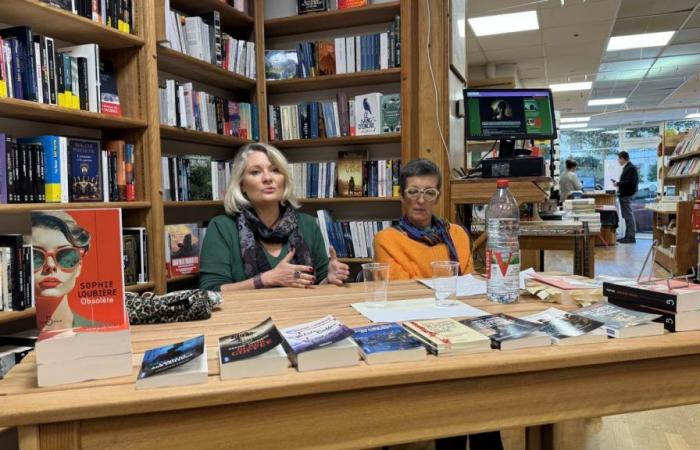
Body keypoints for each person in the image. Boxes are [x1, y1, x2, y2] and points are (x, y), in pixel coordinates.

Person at [373, 158, 503, 450]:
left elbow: (469, 286)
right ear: (402, 195)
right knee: (465, 384)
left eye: (429, 193)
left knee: (480, 378)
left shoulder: (456, 234)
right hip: (419, 329)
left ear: (438, 196)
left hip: (462, 325)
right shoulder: (387, 239)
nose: (421, 200)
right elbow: (404, 294)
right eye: (413, 192)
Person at [199, 143, 350, 291]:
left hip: (302, 313)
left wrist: (330, 278)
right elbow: (211, 291)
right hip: (248, 315)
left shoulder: (308, 224)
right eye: (255, 172)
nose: (267, 178)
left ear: (284, 180)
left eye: (275, 170)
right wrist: (266, 279)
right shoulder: (222, 227)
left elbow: (312, 284)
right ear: (241, 185)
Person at [32, 211, 97, 330]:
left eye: (65, 255)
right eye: (35, 256)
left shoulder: (101, 332)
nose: (50, 266)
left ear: (79, 266)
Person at [613, 151, 639, 243]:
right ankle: (628, 236)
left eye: (619, 159)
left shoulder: (630, 168)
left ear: (623, 158)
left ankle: (631, 237)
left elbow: (630, 182)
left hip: (627, 195)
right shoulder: (628, 167)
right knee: (627, 216)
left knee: (628, 216)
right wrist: (619, 184)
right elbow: (628, 181)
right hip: (625, 194)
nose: (618, 161)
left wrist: (618, 183)